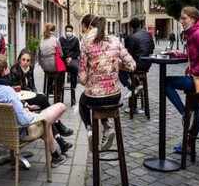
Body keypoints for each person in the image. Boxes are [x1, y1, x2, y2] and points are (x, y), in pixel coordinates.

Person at [0, 54, 68, 167]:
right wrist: (35, 115)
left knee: (46, 122)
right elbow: (24, 121)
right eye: (7, 67)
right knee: (59, 107)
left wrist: (25, 107)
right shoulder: (8, 91)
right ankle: (56, 156)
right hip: (18, 133)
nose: (9, 69)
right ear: (3, 71)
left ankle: (56, 155)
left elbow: (9, 108)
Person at [79, 15, 136, 151]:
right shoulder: (115, 40)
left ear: (90, 27)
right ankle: (107, 127)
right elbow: (132, 65)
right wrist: (116, 64)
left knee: (83, 101)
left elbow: (82, 78)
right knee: (104, 100)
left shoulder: (85, 42)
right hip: (114, 96)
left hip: (94, 98)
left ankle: (90, 129)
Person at [165, 6, 199, 153]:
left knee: (166, 82)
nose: (181, 21)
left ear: (193, 19)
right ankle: (188, 144)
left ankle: (185, 113)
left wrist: (193, 71)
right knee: (195, 109)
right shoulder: (193, 33)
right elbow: (193, 56)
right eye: (181, 18)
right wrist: (177, 54)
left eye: (184, 18)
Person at [10, 49, 73, 154]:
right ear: (19, 60)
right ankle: (59, 129)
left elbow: (32, 85)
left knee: (43, 100)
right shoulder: (15, 71)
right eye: (23, 60)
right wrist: (27, 104)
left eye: (28, 60)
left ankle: (60, 139)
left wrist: (36, 93)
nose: (25, 62)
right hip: (21, 100)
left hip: (29, 95)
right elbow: (15, 93)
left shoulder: (30, 68)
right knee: (44, 103)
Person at [119, 17, 155, 99]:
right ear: (140, 24)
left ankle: (133, 87)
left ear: (131, 27)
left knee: (120, 70)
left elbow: (128, 55)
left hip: (137, 65)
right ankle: (136, 84)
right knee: (128, 67)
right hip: (148, 63)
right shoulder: (148, 34)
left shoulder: (131, 37)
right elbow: (152, 48)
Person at [39, 23, 65, 103]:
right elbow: (61, 54)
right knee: (62, 72)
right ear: (53, 31)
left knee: (51, 73)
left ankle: (49, 88)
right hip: (53, 66)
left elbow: (39, 54)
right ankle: (57, 94)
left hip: (44, 67)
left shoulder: (42, 40)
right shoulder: (55, 40)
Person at [59, 24, 80, 100]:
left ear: (72, 31)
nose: (68, 32)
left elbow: (77, 52)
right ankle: (59, 87)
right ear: (65, 31)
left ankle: (73, 87)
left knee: (75, 67)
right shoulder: (61, 39)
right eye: (67, 31)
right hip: (64, 59)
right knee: (59, 68)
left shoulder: (75, 39)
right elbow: (60, 51)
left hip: (72, 59)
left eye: (70, 31)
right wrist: (65, 58)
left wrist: (71, 57)